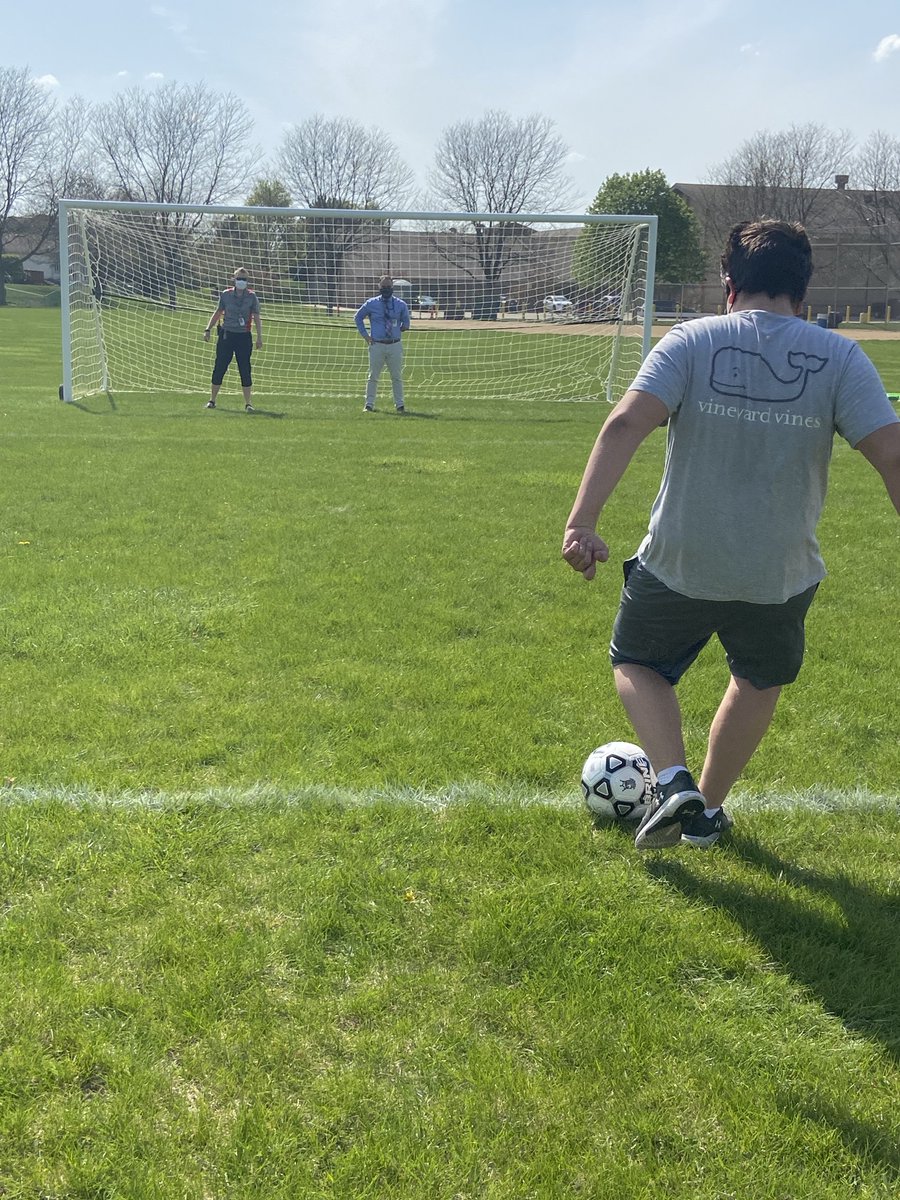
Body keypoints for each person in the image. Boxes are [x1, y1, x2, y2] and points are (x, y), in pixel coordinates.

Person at [562, 218, 900, 851]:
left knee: (636, 660)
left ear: (728, 285)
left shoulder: (690, 341)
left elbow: (626, 423)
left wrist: (582, 521)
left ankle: (673, 781)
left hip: (682, 560)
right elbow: (893, 456)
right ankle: (705, 814)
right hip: (780, 571)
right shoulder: (841, 356)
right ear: (805, 293)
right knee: (758, 678)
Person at [203, 268, 263, 411]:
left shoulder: (251, 297)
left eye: (244, 279)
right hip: (227, 335)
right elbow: (218, 313)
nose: (241, 281)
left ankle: (248, 403)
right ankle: (212, 400)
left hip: (243, 336)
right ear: (234, 279)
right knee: (220, 367)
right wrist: (208, 329)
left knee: (245, 368)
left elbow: (256, 317)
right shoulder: (226, 295)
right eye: (239, 278)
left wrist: (259, 337)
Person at [354, 275, 411, 413]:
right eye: (383, 287)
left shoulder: (401, 304)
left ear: (393, 288)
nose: (386, 289)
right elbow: (358, 317)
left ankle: (400, 405)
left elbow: (406, 323)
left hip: (394, 344)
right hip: (377, 344)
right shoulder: (371, 303)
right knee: (373, 376)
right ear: (379, 287)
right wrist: (366, 336)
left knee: (396, 376)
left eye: (389, 287)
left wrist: (400, 327)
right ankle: (369, 404)